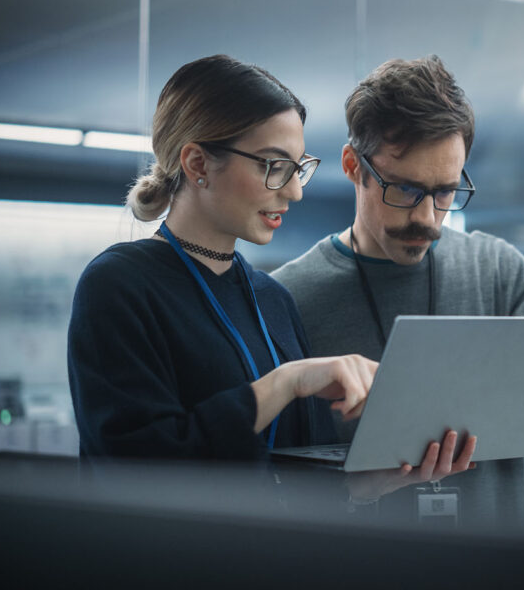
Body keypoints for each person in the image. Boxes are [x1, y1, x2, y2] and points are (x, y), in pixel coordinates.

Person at [272, 55, 524, 530]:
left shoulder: (498, 269)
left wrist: (515, 366)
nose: (427, 217)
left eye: (445, 192)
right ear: (353, 166)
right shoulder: (287, 297)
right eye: (405, 190)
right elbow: (275, 481)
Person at [68, 54, 381, 466]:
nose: (294, 192)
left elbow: (303, 473)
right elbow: (139, 464)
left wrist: (369, 485)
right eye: (274, 165)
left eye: (297, 168)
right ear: (198, 164)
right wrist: (286, 383)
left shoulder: (274, 301)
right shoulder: (119, 285)